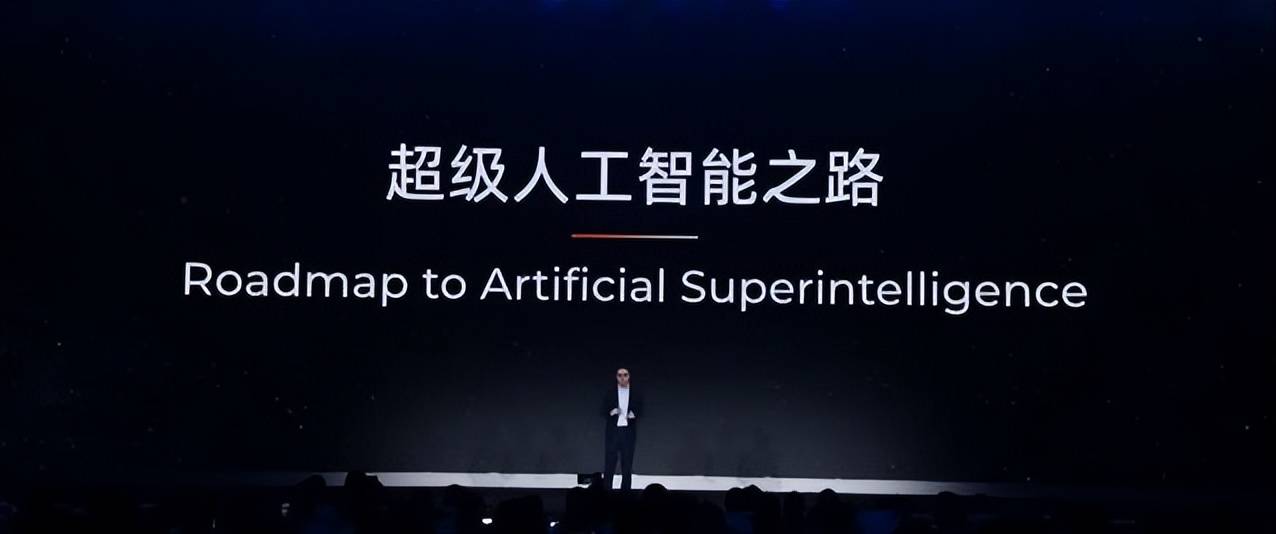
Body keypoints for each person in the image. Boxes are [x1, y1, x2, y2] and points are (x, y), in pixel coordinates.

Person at [602, 367, 643, 490]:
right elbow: (602, 410)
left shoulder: (635, 393)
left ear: (629, 376)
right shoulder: (610, 393)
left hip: (628, 433)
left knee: (627, 465)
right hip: (613, 433)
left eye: (625, 375)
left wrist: (634, 414)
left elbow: (641, 409)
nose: (622, 378)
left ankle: (626, 493)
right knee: (610, 464)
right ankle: (606, 491)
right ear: (616, 377)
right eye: (619, 375)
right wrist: (611, 411)